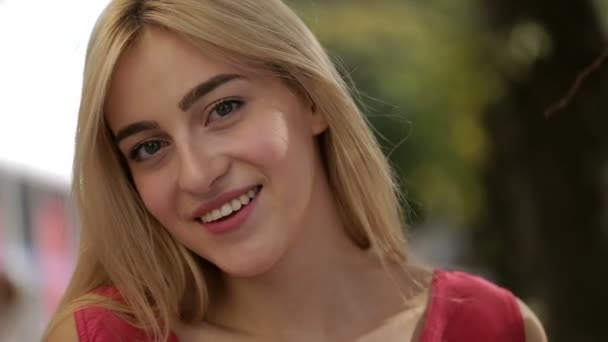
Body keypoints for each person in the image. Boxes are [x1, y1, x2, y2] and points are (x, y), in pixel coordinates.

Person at [44, 0, 547, 341]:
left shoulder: (491, 327)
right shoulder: (103, 337)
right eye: (150, 146)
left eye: (223, 109)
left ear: (311, 99)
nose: (196, 175)